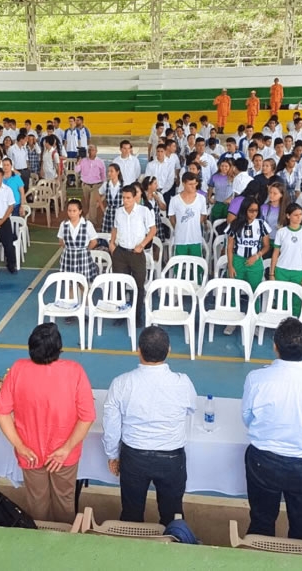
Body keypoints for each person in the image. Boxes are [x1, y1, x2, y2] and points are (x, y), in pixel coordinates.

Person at [241, 317, 302, 543]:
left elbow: (247, 419)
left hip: (264, 462)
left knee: (261, 523)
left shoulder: (256, 378)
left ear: (275, 346)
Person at [0, 323, 95, 523]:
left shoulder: (18, 369)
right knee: (64, 500)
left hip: (30, 453)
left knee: (36, 502)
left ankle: (39, 542)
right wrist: (66, 449)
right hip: (63, 456)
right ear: (59, 349)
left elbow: (2, 412)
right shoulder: (74, 371)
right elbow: (87, 417)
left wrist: (20, 446)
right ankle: (63, 540)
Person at [102, 326, 197, 525]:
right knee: (172, 516)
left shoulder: (121, 383)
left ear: (139, 350)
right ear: (169, 350)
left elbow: (111, 424)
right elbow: (190, 409)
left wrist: (112, 455)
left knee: (131, 514)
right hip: (172, 458)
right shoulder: (183, 383)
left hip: (134, 457)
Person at [110, 185, 156, 323]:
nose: (125, 200)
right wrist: (112, 243)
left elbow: (153, 230)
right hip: (120, 252)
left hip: (136, 253)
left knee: (138, 285)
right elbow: (115, 227)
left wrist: (142, 245)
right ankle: (121, 314)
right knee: (119, 283)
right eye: (123, 197)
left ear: (135, 197)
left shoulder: (144, 211)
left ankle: (137, 315)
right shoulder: (118, 212)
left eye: (128, 198)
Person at [226, 197, 270, 290]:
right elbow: (229, 247)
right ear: (244, 210)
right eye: (251, 210)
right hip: (237, 261)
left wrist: (257, 256)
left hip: (255, 262)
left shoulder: (262, 224)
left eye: (256, 211)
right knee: (233, 291)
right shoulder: (235, 224)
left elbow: (266, 246)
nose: (254, 213)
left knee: (255, 292)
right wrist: (230, 265)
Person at [58, 198, 98, 285]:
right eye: (69, 211)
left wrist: (84, 250)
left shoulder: (87, 224)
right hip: (68, 257)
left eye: (74, 211)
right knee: (70, 284)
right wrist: (69, 249)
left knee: (83, 284)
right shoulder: (63, 224)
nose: (71, 213)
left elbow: (94, 241)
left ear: (80, 211)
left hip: (83, 257)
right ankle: (72, 299)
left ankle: (85, 299)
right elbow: (61, 241)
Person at [168, 172, 208, 258]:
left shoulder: (201, 199)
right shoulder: (175, 200)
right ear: (183, 184)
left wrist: (195, 224)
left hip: (196, 238)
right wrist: (180, 227)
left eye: (195, 183)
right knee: (179, 265)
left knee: (197, 265)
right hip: (180, 239)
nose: (194, 186)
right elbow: (171, 218)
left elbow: (203, 215)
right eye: (190, 184)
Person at [75, 145, 105, 228]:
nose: (91, 152)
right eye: (89, 150)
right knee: (87, 203)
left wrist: (103, 184)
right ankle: (89, 217)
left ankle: (92, 222)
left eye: (93, 150)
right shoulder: (83, 161)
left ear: (96, 151)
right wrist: (78, 163)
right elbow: (77, 170)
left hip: (96, 185)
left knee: (92, 203)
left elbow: (103, 174)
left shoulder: (100, 162)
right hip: (85, 185)